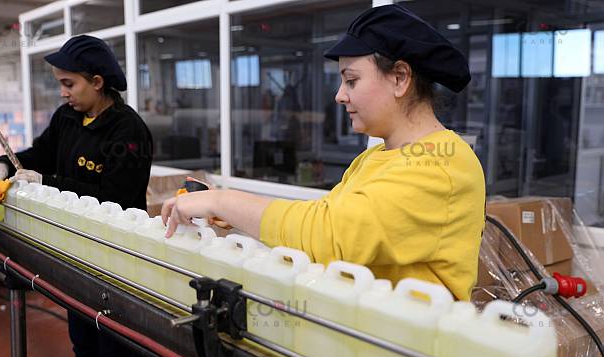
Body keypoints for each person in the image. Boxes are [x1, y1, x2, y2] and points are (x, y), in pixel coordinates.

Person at [161, 4, 485, 301]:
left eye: (352, 80)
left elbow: (331, 237)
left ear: (400, 78)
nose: (340, 96)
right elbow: (324, 218)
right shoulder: (375, 158)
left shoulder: (440, 162)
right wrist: (225, 207)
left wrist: (223, 201)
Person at [0, 35, 152, 357]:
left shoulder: (128, 131)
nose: (63, 92)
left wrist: (49, 182)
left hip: (116, 259)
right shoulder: (67, 117)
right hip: (75, 252)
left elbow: (116, 198)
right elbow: (40, 153)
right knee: (83, 342)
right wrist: (3, 164)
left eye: (69, 84)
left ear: (97, 82)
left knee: (115, 350)